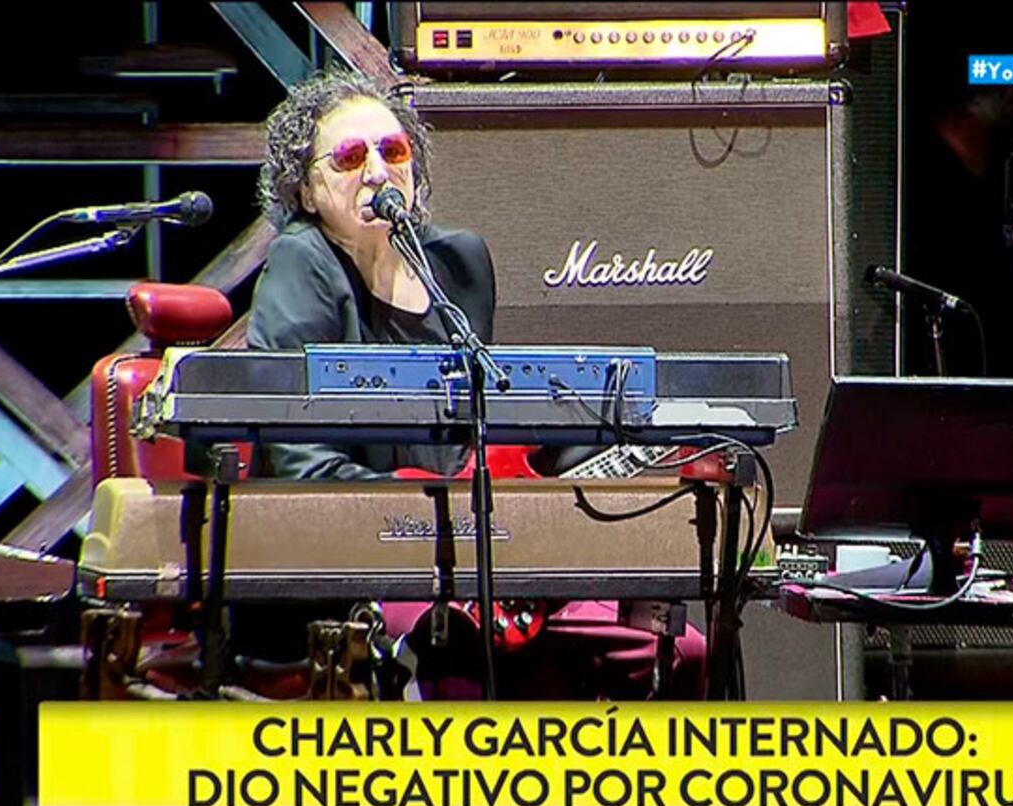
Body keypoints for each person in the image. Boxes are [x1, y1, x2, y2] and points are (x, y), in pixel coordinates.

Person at [245, 69, 706, 699]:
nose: (377, 171)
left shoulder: (459, 263)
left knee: (679, 650)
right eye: (350, 157)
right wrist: (432, 510)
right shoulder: (303, 262)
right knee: (453, 652)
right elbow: (297, 463)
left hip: (477, 547)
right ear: (305, 189)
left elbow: (483, 433)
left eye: (393, 151)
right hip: (368, 554)